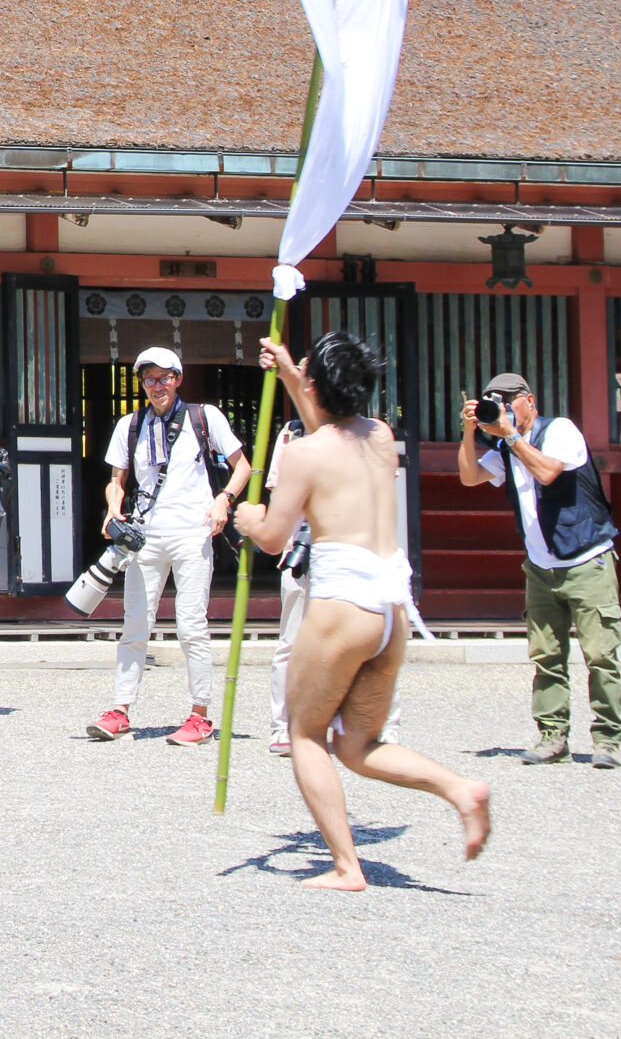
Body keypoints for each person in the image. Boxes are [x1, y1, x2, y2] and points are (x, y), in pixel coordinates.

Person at [236, 333, 489, 889]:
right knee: (359, 745)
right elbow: (332, 430)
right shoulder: (380, 436)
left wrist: (247, 518)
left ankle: (347, 867)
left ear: (320, 385)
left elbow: (276, 538)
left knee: (306, 734)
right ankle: (458, 790)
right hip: (391, 605)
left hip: (342, 604)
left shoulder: (302, 452)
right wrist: (289, 377)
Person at [456, 370, 621, 767]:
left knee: (600, 655)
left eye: (508, 400)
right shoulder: (504, 447)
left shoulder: (561, 429)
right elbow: (468, 476)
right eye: (494, 402)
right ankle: (553, 736)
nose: (502, 409)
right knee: (546, 656)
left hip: (586, 561)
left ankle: (607, 741)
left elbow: (548, 471)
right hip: (540, 567)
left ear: (529, 400)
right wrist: (468, 431)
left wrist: (510, 437)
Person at [89, 346, 253, 746]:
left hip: (193, 532)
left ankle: (200, 714)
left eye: (164, 377)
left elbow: (243, 466)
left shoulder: (204, 416)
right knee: (134, 625)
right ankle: (120, 709)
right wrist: (113, 507)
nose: (156, 385)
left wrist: (224, 499)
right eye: (149, 379)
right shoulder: (130, 425)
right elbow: (118, 480)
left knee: (191, 625)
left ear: (179, 378)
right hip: (146, 535)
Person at [264, 421, 403, 756]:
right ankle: (283, 725)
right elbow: (278, 491)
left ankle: (382, 724)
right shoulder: (291, 434)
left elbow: (382, 490)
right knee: (291, 641)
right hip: (304, 546)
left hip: (357, 550)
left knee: (373, 642)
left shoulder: (368, 431)